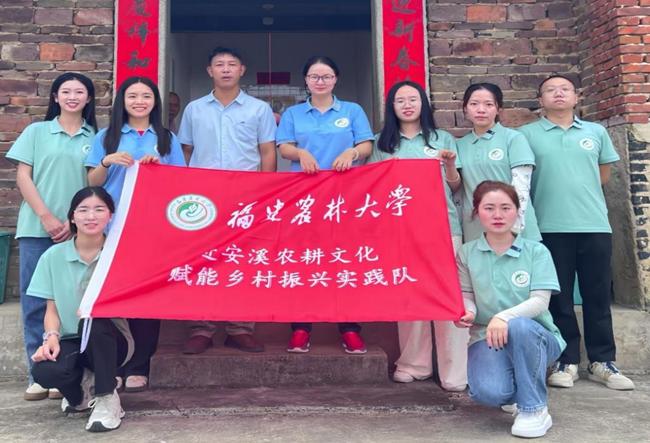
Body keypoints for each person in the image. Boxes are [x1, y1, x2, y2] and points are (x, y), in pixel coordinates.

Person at [517, 75, 634, 391]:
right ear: (540, 100)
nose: (558, 93)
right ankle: (566, 361)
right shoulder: (526, 135)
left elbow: (602, 175)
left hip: (594, 225)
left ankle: (602, 361)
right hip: (549, 228)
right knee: (559, 299)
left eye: (564, 89)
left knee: (598, 296)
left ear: (576, 97)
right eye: (550, 90)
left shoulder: (595, 132)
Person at [86, 76, 185, 392]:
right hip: (114, 227)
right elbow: (92, 182)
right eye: (132, 96)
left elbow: (181, 185)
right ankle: (113, 364)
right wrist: (107, 161)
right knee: (114, 298)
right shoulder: (107, 136)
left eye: (146, 96)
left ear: (155, 102)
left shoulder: (167, 138)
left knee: (146, 299)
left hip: (152, 229)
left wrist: (159, 170)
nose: (139, 101)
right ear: (122, 101)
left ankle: (140, 364)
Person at [368, 80, 468, 390]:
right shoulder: (381, 143)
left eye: (413, 99)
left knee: (448, 294)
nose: (408, 105)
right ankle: (414, 364)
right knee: (410, 294)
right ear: (391, 106)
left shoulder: (442, 138)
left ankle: (455, 372)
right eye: (400, 100)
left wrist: (449, 166)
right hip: (401, 230)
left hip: (443, 227)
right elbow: (372, 187)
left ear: (423, 103)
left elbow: (455, 186)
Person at [178, 46, 276, 354]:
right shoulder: (194, 109)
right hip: (202, 198)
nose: (225, 69)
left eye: (231, 64)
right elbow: (186, 151)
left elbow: (267, 152)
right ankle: (201, 328)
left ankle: (240, 328)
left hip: (246, 196)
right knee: (201, 262)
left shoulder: (259, 109)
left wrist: (265, 191)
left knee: (243, 260)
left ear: (241, 70)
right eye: (219, 64)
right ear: (210, 71)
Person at [5, 72, 97, 401]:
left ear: (89, 98)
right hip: (37, 227)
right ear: (55, 97)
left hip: (78, 232)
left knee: (73, 302)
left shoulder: (95, 136)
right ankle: (38, 374)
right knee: (34, 302)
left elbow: (94, 185)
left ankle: (64, 371)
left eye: (79, 92)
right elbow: (23, 177)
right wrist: (46, 216)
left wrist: (74, 223)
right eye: (65, 91)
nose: (72, 97)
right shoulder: (37, 131)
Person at [277, 55, 374, 354]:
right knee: (305, 260)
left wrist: (351, 153)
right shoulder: (293, 113)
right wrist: (300, 154)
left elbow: (366, 144)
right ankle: (301, 327)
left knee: (344, 260)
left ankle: (349, 327)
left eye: (326, 76)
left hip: (345, 196)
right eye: (314, 76)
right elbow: (283, 146)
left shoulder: (352, 110)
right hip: (304, 197)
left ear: (336, 79)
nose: (320, 81)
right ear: (306, 80)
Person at [456, 180, 565, 438]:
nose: (498, 215)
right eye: (489, 208)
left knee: (520, 326)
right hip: (486, 337)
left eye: (505, 208)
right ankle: (518, 392)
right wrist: (468, 312)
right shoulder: (467, 253)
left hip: (535, 336)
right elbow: (467, 295)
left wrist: (503, 317)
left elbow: (540, 302)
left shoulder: (536, 251)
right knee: (488, 392)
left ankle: (534, 409)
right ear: (476, 212)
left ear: (517, 211)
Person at [30, 186, 134, 432]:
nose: (91, 216)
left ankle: (107, 398)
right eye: (83, 210)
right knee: (44, 371)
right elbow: (52, 309)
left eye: (99, 209)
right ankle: (81, 395)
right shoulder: (53, 256)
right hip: (71, 340)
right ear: (72, 217)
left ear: (110, 215)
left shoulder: (121, 254)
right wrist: (51, 337)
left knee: (93, 321)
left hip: (111, 340)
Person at [456, 83, 541, 243]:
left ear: (498, 109)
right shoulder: (459, 145)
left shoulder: (513, 138)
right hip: (475, 225)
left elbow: (522, 183)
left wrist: (515, 224)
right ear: (465, 109)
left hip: (513, 224)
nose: (481, 110)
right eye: (474, 104)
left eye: (489, 104)